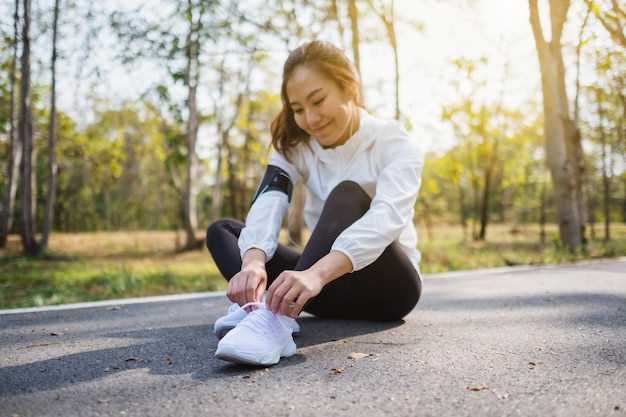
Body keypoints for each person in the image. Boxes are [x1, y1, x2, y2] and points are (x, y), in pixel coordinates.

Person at [206, 40, 425, 366]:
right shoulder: (297, 146)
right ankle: (266, 305)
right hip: (322, 291)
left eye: (318, 101)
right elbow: (270, 200)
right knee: (222, 231)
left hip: (389, 292)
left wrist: (315, 274)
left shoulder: (392, 141)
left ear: (349, 88)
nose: (309, 118)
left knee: (348, 193)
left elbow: (388, 217)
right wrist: (253, 262)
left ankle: (273, 320)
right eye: (297, 109)